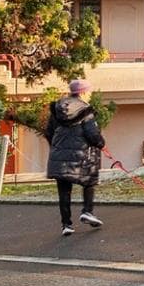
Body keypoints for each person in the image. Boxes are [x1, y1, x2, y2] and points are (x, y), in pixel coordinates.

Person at [44, 79, 105, 236]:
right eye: (89, 91)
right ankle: (87, 211)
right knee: (89, 181)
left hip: (59, 156)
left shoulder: (58, 109)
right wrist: (101, 143)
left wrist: (58, 147)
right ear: (83, 92)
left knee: (64, 191)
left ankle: (66, 225)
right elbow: (92, 134)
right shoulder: (85, 110)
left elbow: (48, 132)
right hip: (82, 155)